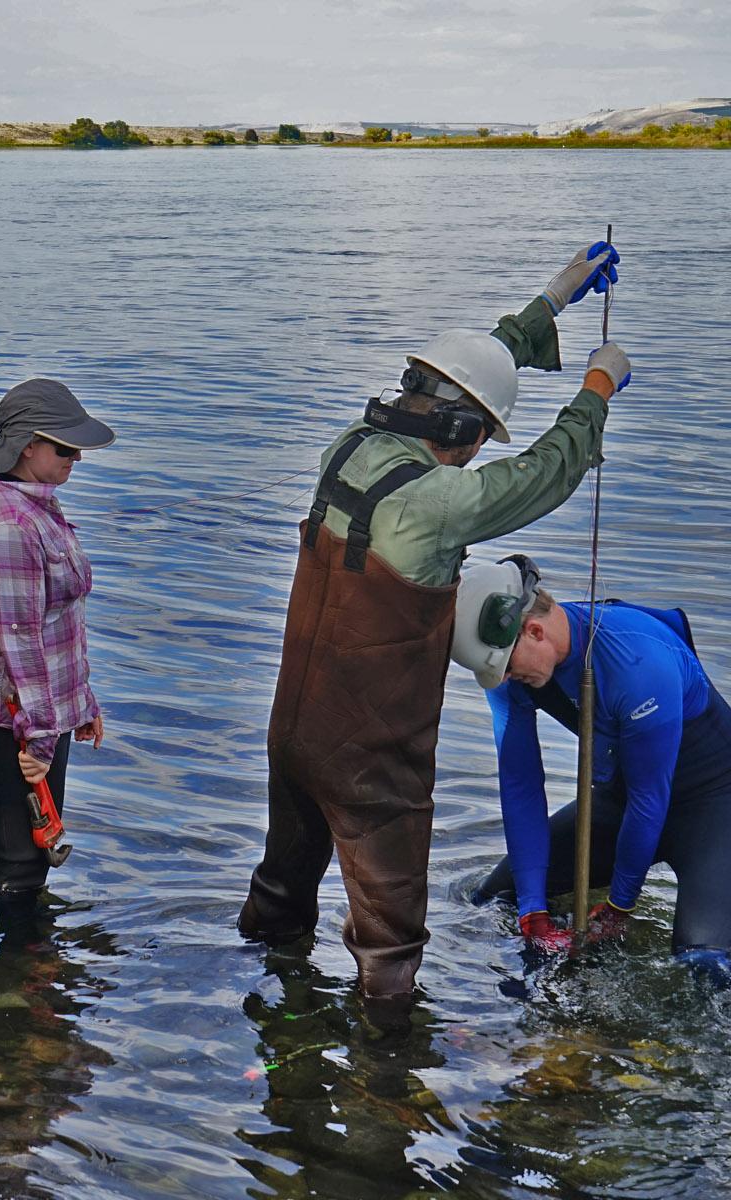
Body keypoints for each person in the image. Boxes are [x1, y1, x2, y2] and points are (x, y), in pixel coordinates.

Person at [237, 242, 630, 1012]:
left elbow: (464, 375)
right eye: (482, 437)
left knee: (281, 895)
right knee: (389, 946)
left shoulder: (348, 445)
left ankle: (254, 1012)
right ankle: (387, 1071)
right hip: (371, 764)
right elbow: (550, 470)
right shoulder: (439, 502)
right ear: (461, 431)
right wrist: (596, 390)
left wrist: (551, 301)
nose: (479, 451)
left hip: (292, 733)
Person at [453, 558, 731, 986]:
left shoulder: (638, 660)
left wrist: (619, 907)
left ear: (534, 630)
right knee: (495, 899)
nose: (505, 679)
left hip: (713, 807)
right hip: (622, 801)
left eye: (507, 667)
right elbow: (521, 786)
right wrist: (534, 913)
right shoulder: (511, 673)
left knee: (701, 966)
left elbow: (650, 798)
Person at [0, 379, 112, 916]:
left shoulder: (38, 507)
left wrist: (82, 702)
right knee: (25, 857)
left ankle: (23, 975)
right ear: (28, 446)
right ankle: (15, 982)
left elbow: (62, 623)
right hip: (11, 717)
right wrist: (42, 738)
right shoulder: (8, 525)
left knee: (31, 851)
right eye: (66, 448)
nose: (77, 458)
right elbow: (20, 643)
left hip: (42, 712)